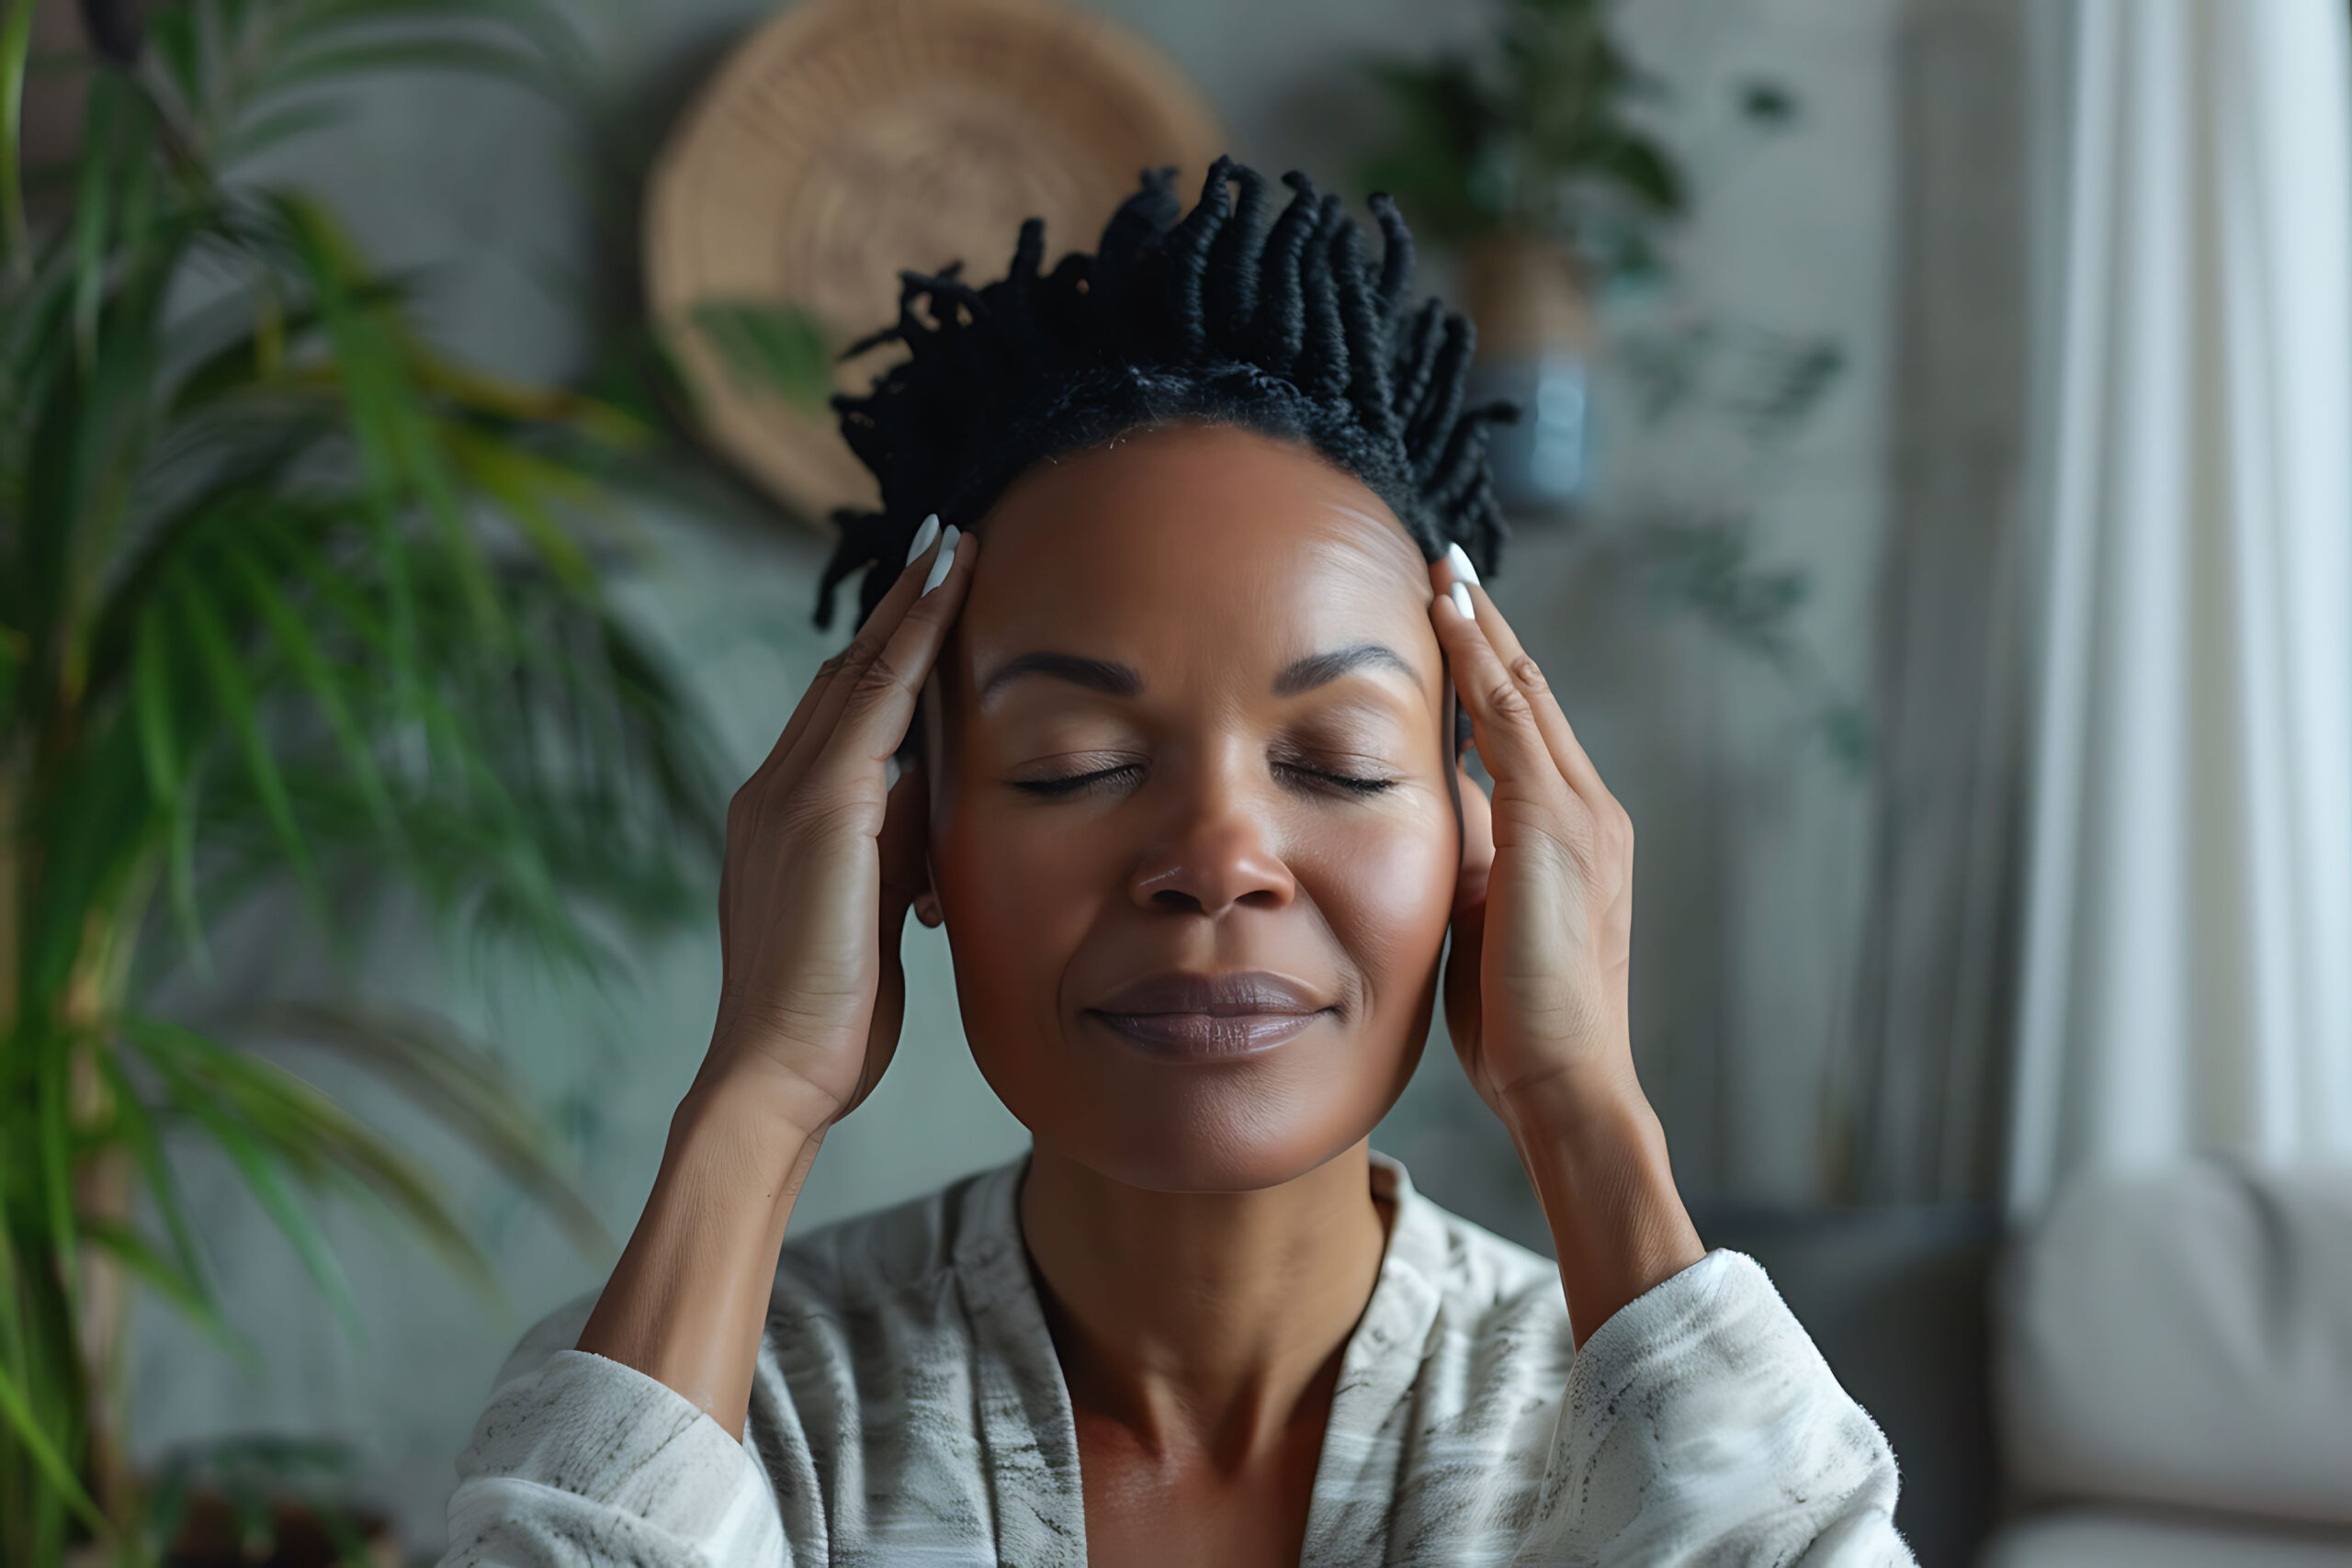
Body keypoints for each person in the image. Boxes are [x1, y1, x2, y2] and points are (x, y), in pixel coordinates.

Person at [440, 157, 1913, 1566]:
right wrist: (756, 1096)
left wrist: (1587, 1113)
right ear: (906, 845)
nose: (1218, 862)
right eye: (1072, 765)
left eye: (1337, 762)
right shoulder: (709, 1414)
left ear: (1489, 837)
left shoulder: (1642, 1432)